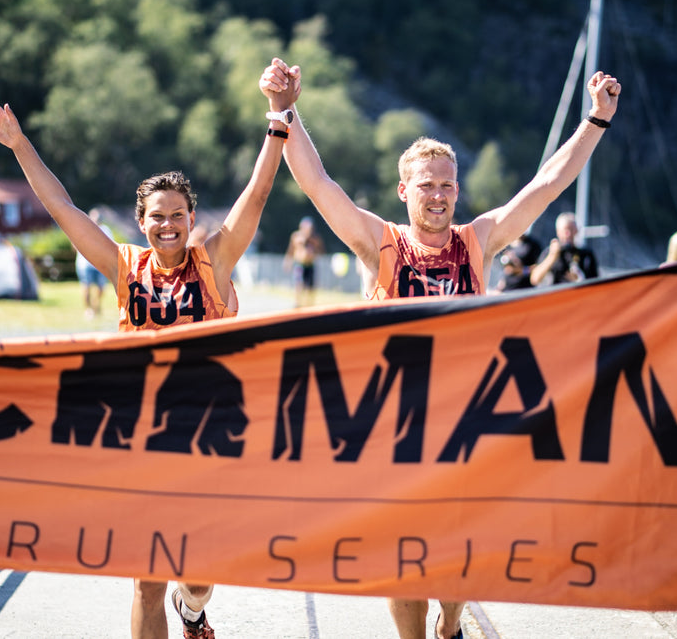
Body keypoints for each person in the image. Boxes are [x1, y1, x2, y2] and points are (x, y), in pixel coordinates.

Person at [260, 57, 621, 639]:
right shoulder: (379, 242)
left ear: (458, 190)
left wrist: (596, 121)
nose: (437, 194)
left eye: (447, 183)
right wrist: (284, 111)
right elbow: (318, 185)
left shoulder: (478, 241)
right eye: (426, 184)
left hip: (464, 429)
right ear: (404, 190)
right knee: (402, 568)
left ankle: (451, 625)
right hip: (393, 430)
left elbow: (547, 186)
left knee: (455, 567)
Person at [0, 74, 294, 639]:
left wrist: (278, 117)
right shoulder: (125, 267)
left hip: (212, 435)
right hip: (143, 439)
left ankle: (193, 608)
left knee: (199, 572)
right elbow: (62, 208)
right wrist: (19, 144)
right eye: (156, 216)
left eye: (177, 215)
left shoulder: (214, 263)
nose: (167, 226)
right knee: (145, 577)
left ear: (191, 220)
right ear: (141, 221)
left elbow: (258, 194)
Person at [529, 212, 599, 286]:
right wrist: (552, 256)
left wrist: (579, 279)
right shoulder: (550, 252)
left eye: (571, 229)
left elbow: (596, 283)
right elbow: (535, 279)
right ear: (558, 232)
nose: (568, 234)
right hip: (556, 294)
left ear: (576, 230)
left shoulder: (586, 254)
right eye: (565, 230)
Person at [76, 208, 111, 319]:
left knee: (101, 287)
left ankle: (96, 306)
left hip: (100, 264)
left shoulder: (106, 230)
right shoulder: (83, 228)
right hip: (85, 264)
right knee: (86, 286)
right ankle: (88, 309)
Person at [283, 215, 325, 306]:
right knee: (299, 284)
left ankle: (309, 305)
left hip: (310, 265)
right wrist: (287, 262)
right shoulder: (296, 236)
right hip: (299, 264)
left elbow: (322, 252)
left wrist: (314, 246)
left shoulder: (315, 238)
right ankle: (297, 303)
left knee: (310, 287)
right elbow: (290, 250)